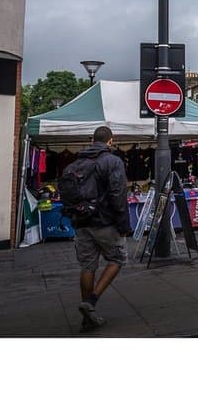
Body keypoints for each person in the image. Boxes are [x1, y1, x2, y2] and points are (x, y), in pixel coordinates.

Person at [72, 125, 131, 332]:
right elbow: (117, 194)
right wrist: (124, 225)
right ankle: (92, 303)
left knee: (87, 266)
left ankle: (87, 317)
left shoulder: (77, 162)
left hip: (81, 222)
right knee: (117, 259)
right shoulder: (113, 161)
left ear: (91, 141)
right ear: (110, 141)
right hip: (104, 222)